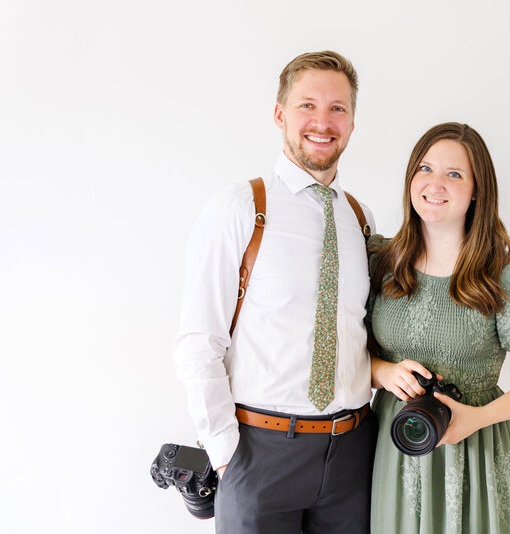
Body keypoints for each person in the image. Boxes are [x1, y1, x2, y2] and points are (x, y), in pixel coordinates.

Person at [173, 51, 378, 534]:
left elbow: (362, 332)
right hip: (260, 452)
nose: (322, 122)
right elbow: (198, 341)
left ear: (351, 121)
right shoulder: (241, 208)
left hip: (353, 454)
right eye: (307, 105)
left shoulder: (361, 219)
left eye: (337, 108)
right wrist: (226, 455)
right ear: (280, 113)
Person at [366, 122, 510, 533]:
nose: (434, 183)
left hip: (476, 446)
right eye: (424, 169)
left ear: (478, 189)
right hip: (395, 442)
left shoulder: (504, 274)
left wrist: (476, 418)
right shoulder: (383, 263)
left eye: (454, 174)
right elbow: (351, 352)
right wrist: (384, 372)